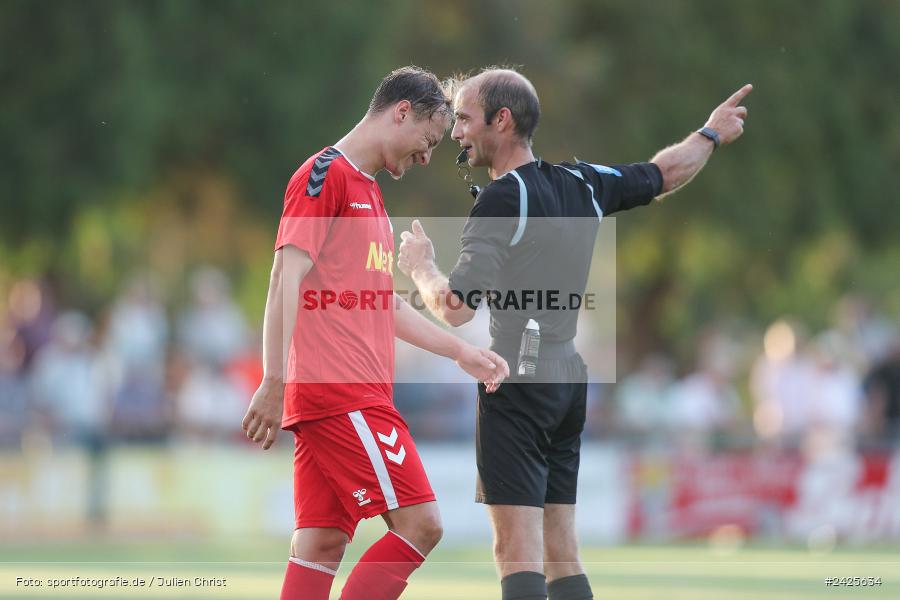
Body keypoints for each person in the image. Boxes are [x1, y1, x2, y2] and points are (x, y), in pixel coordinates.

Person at [398, 67, 750, 600]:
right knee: (562, 551)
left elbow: (455, 309)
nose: (458, 131)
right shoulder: (583, 183)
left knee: (516, 551)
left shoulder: (502, 199)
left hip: (516, 378)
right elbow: (664, 173)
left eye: (466, 119)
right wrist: (710, 135)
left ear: (503, 119)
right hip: (567, 376)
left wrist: (421, 267)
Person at [241, 66, 510, 600]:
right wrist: (273, 379)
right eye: (428, 141)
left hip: (343, 397)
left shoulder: (371, 197)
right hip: (342, 394)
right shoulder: (325, 175)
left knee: (319, 546)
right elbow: (284, 277)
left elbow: (379, 303)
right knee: (422, 525)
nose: (428, 156)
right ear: (401, 111)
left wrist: (461, 350)